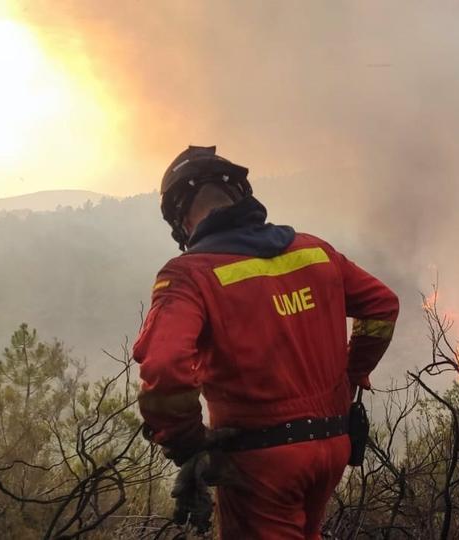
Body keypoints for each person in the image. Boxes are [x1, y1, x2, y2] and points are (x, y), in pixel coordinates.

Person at [133, 145, 399, 538]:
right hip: (332, 447)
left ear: (180, 219)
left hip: (259, 464)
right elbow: (382, 307)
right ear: (241, 195)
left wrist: (187, 442)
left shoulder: (190, 275)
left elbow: (164, 366)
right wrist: (353, 373)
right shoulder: (315, 251)